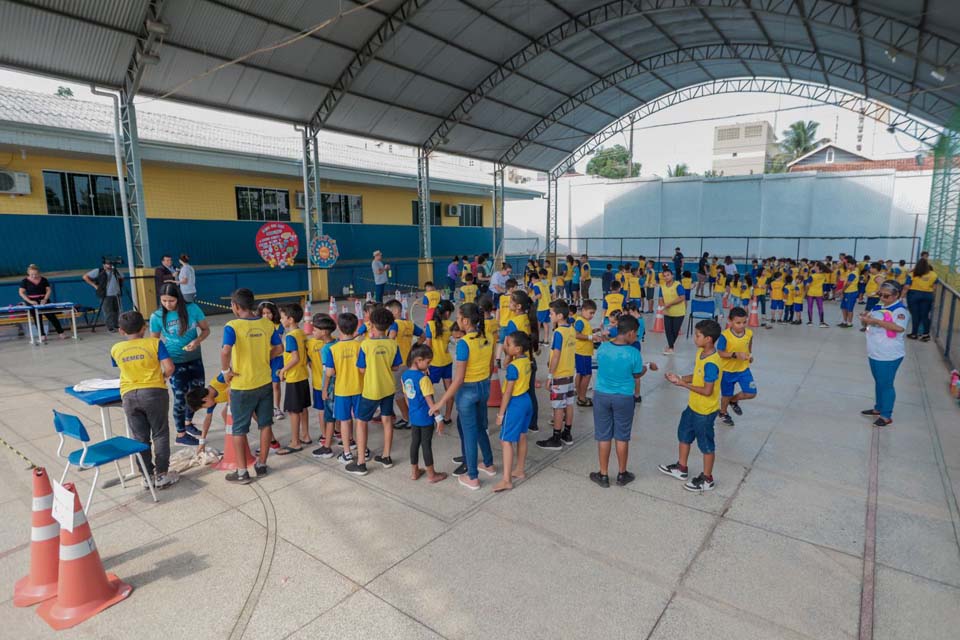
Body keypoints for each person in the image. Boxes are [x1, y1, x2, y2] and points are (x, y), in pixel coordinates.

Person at [220, 288, 282, 484]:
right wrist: (265, 358)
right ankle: (262, 465)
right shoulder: (267, 324)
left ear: (236, 307)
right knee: (265, 424)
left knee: (239, 429)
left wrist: (225, 372)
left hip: (242, 385)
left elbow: (225, 351)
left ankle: (241, 472)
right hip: (264, 382)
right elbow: (279, 348)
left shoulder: (232, 326)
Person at [111, 310, 178, 488]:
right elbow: (170, 368)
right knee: (160, 433)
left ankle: (146, 476)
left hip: (129, 395)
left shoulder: (116, 349)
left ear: (121, 331)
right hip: (154, 392)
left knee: (139, 437)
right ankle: (162, 475)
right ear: (144, 327)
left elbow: (120, 366)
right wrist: (162, 377)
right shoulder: (155, 344)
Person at [432, 302, 496, 490]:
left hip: (467, 391)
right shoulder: (488, 337)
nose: (457, 320)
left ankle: (473, 477)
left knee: (469, 434)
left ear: (466, 321)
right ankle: (489, 464)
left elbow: (458, 379)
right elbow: (491, 366)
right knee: (480, 427)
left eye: (459, 318)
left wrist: (441, 402)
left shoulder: (464, 344)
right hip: (484, 387)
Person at [658, 318, 723, 493]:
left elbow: (707, 390)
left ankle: (707, 479)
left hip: (705, 411)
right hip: (693, 406)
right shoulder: (701, 352)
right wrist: (679, 378)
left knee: (706, 445)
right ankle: (681, 468)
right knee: (684, 435)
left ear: (708, 339)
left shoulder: (712, 363)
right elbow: (697, 375)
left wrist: (683, 385)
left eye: (698, 335)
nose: (695, 338)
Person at [590, 315, 655, 488]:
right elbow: (636, 374)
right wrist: (647, 368)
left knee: (603, 436)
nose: (636, 337)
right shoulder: (634, 353)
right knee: (622, 436)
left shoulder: (603, 348)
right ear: (631, 333)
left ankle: (603, 474)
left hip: (602, 395)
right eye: (636, 334)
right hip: (624, 398)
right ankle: (622, 473)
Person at [150, 283, 210, 446]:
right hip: (175, 362)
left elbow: (206, 330)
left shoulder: (192, 309)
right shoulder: (156, 316)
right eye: (164, 301)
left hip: (195, 358)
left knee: (196, 394)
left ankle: (188, 423)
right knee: (180, 398)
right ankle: (180, 433)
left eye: (171, 301)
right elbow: (154, 343)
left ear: (179, 299)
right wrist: (159, 367)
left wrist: (197, 341)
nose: (167, 304)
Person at [349, 306, 402, 476]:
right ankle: (386, 456)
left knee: (361, 422)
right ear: (389, 325)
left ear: (371, 324)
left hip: (371, 390)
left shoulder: (365, 345)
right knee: (387, 420)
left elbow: (362, 369)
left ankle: (361, 463)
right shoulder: (393, 344)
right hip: (388, 388)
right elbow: (395, 367)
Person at [860, 280, 910, 427]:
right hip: (875, 352)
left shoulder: (900, 311)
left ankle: (886, 415)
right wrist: (865, 319)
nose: (882, 298)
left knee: (886, 384)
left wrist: (875, 321)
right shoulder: (878, 306)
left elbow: (899, 328)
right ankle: (878, 407)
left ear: (896, 295)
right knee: (879, 382)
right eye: (880, 294)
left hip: (889, 354)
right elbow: (867, 324)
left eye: (886, 296)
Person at [495, 331, 534, 492]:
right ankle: (519, 469)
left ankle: (506, 480)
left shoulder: (513, 367)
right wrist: (507, 350)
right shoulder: (526, 360)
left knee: (506, 441)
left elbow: (508, 393)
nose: (506, 346)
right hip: (526, 401)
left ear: (517, 349)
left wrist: (500, 414)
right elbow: (506, 362)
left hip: (515, 404)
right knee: (522, 436)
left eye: (509, 344)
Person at [403, 344, 447, 483]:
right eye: (427, 362)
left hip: (414, 415)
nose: (429, 365)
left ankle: (414, 472)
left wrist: (411, 411)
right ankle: (431, 474)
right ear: (418, 360)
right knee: (426, 444)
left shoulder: (405, 375)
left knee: (415, 443)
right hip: (425, 417)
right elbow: (430, 402)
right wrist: (439, 418)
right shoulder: (424, 379)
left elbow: (406, 397)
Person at [323, 313, 363, 465]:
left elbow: (330, 372)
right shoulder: (360, 346)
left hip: (342, 391)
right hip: (359, 389)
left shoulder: (333, 349)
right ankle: (362, 449)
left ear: (338, 328)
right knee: (360, 420)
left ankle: (347, 453)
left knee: (345, 421)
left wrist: (325, 388)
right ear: (355, 328)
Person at [537, 300, 577, 450]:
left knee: (558, 407)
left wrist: (549, 376)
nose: (549, 315)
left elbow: (556, 356)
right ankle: (567, 434)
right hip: (569, 373)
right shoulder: (571, 330)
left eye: (551, 313)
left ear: (559, 316)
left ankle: (556, 438)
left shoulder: (559, 333)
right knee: (569, 403)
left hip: (559, 375)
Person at [277, 303, 311, 453]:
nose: (281, 319)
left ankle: (295, 442)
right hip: (303, 375)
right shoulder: (301, 333)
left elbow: (295, 358)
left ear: (290, 319)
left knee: (293, 411)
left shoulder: (290, 336)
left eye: (283, 317)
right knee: (303, 408)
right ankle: (305, 435)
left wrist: (283, 370)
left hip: (294, 377)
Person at [716, 307, 757, 427]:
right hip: (727, 371)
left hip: (743, 369)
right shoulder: (725, 335)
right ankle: (723, 412)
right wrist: (735, 355)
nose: (741, 325)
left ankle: (733, 400)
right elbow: (720, 352)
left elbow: (749, 346)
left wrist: (750, 356)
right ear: (730, 321)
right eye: (738, 323)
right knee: (726, 395)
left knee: (751, 393)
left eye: (744, 322)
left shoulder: (749, 333)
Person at [386, 298, 423, 429]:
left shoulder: (394, 324)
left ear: (396, 311)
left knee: (399, 393)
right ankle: (414, 417)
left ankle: (407, 418)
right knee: (410, 391)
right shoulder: (409, 324)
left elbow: (390, 341)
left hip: (398, 364)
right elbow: (422, 335)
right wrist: (415, 347)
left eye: (388, 311)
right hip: (409, 362)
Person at [306, 314, 338, 458]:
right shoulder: (336, 343)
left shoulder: (325, 349)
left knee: (329, 417)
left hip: (330, 387)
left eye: (315, 330)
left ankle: (327, 446)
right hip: (340, 386)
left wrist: (324, 389)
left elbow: (328, 372)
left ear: (324, 332)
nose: (313, 332)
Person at [425, 300, 457, 424]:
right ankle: (448, 417)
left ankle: (432, 414)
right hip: (447, 361)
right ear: (447, 313)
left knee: (427, 390)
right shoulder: (451, 324)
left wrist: (425, 364)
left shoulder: (430, 325)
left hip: (433, 363)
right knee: (449, 390)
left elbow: (428, 346)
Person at [18, 264, 66, 341]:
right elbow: (21, 292)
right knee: (37, 318)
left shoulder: (44, 280)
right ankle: (42, 335)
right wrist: (30, 301)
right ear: (28, 273)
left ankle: (61, 333)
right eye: (32, 274)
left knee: (52, 317)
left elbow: (48, 290)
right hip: (32, 301)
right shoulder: (24, 281)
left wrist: (45, 299)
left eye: (36, 274)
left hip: (44, 300)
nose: (34, 276)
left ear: (39, 273)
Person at [258, 301, 286, 422]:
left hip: (276, 358)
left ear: (273, 313)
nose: (266, 316)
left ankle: (276, 407)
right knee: (264, 385)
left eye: (268, 313)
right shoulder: (258, 325)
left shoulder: (279, 326)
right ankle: (265, 408)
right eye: (263, 313)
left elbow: (277, 344)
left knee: (276, 384)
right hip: (263, 358)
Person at [83, 258, 123, 332]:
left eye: (111, 264)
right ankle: (110, 327)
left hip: (116, 294)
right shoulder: (99, 271)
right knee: (108, 311)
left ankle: (116, 325)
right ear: (104, 265)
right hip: (106, 294)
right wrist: (95, 286)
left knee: (116, 310)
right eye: (108, 264)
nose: (110, 266)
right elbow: (85, 277)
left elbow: (122, 278)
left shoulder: (115, 271)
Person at [903, 258, 938, 341]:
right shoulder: (933, 274)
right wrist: (933, 297)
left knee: (915, 315)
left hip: (914, 295)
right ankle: (926, 335)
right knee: (925, 315)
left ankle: (914, 334)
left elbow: (907, 286)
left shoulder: (913, 273)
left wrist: (902, 296)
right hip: (927, 295)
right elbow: (934, 287)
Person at [574, 300, 598, 406]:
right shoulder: (580, 321)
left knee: (580, 373)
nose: (592, 315)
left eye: (593, 313)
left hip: (583, 352)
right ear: (583, 310)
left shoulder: (583, 321)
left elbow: (584, 332)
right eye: (590, 313)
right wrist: (591, 337)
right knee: (587, 375)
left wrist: (593, 331)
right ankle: (582, 398)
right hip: (582, 352)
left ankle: (580, 394)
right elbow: (576, 334)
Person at [658, 268, 686, 354]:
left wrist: (670, 304)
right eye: (664, 276)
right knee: (668, 330)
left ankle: (670, 346)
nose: (666, 277)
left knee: (675, 330)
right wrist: (663, 305)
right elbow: (660, 299)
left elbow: (682, 297)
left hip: (679, 312)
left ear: (672, 276)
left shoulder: (678, 285)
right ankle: (671, 347)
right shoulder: (662, 287)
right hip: (667, 312)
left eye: (668, 275)